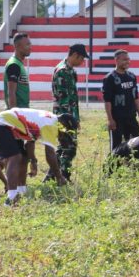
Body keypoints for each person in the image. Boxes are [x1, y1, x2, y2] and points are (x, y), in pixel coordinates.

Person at [0, 108, 78, 205]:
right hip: (0, 124)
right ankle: (11, 197)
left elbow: (29, 143)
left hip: (8, 125)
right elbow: (50, 154)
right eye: (65, 132)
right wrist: (59, 176)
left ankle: (22, 192)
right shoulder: (51, 124)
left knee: (23, 157)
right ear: (63, 124)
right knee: (15, 157)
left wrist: (33, 161)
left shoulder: (48, 120)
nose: (63, 136)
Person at [49, 43, 88, 181]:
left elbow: (73, 98)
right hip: (64, 116)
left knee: (64, 147)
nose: (82, 62)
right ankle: (63, 175)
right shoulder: (62, 71)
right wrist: (70, 120)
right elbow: (63, 99)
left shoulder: (71, 71)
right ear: (75, 55)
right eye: (82, 58)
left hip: (71, 115)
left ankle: (52, 175)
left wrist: (76, 118)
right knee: (69, 148)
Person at [3, 32, 36, 178]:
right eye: (27, 44)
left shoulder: (19, 64)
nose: (30, 47)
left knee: (22, 152)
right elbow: (11, 93)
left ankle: (21, 183)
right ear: (17, 46)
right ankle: (11, 185)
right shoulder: (14, 65)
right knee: (15, 154)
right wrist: (15, 117)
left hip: (24, 113)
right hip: (18, 115)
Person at [102, 50, 139, 151]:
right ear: (116, 60)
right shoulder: (109, 78)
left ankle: (131, 166)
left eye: (128, 59)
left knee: (134, 146)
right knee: (115, 148)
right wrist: (110, 119)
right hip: (117, 119)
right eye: (124, 59)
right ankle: (112, 166)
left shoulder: (131, 76)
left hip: (131, 118)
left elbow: (135, 97)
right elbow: (107, 101)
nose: (127, 62)